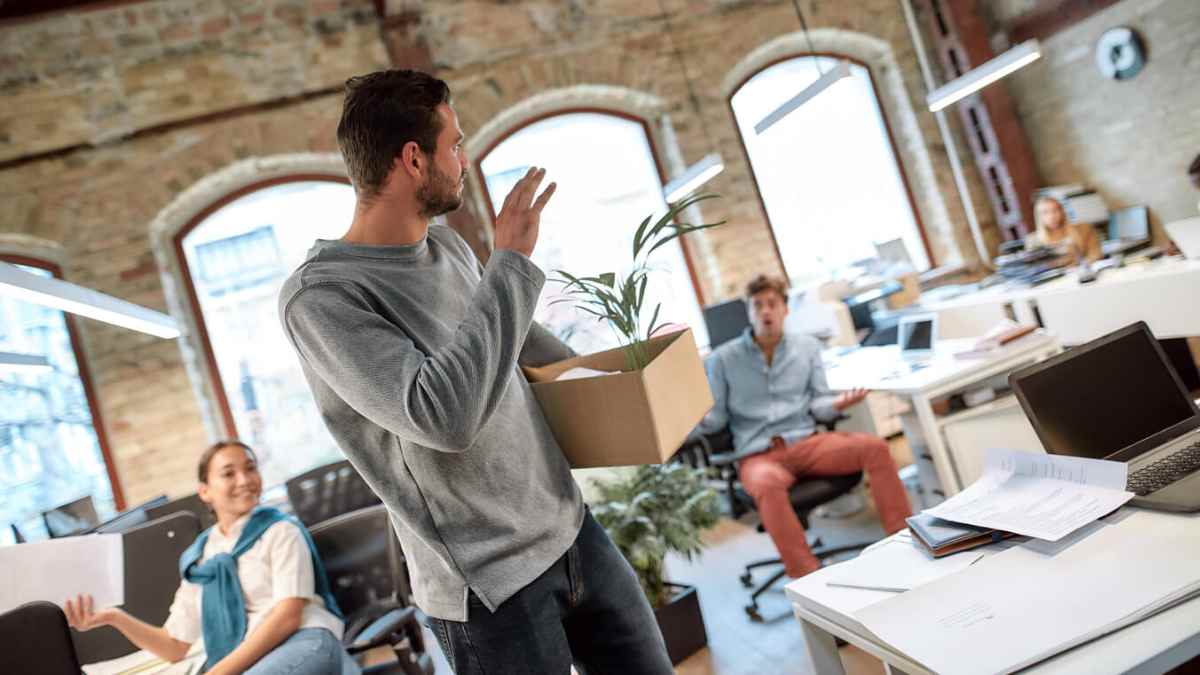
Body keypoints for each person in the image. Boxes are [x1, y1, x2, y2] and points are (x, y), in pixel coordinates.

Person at [277, 69, 673, 674]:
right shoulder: (324, 297)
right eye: (455, 144)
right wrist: (510, 260)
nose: (464, 159)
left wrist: (638, 373)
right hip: (488, 588)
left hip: (570, 530)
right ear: (413, 159)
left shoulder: (450, 248)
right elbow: (443, 417)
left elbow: (522, 348)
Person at [65, 441, 357, 675]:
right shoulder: (203, 557)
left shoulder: (280, 531)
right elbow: (175, 645)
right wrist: (114, 617)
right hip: (245, 656)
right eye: (229, 473)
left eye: (250, 468)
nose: (244, 480)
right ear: (205, 491)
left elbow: (287, 617)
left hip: (303, 639)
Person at [695, 275, 913, 579]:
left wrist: (837, 405)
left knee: (874, 447)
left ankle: (903, 542)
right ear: (749, 312)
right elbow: (715, 419)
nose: (765, 312)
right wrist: (689, 418)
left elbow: (819, 405)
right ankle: (808, 577)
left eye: (772, 304)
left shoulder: (807, 348)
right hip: (759, 454)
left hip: (808, 444)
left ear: (785, 309)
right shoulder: (722, 360)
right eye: (757, 306)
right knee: (767, 484)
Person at [1025, 195, 1102, 263]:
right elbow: (1038, 267)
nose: (1051, 216)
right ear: (1039, 217)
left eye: (1055, 210)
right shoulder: (1032, 240)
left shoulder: (1084, 228)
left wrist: (1081, 266)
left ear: (1062, 212)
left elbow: (1095, 253)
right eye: (1045, 212)